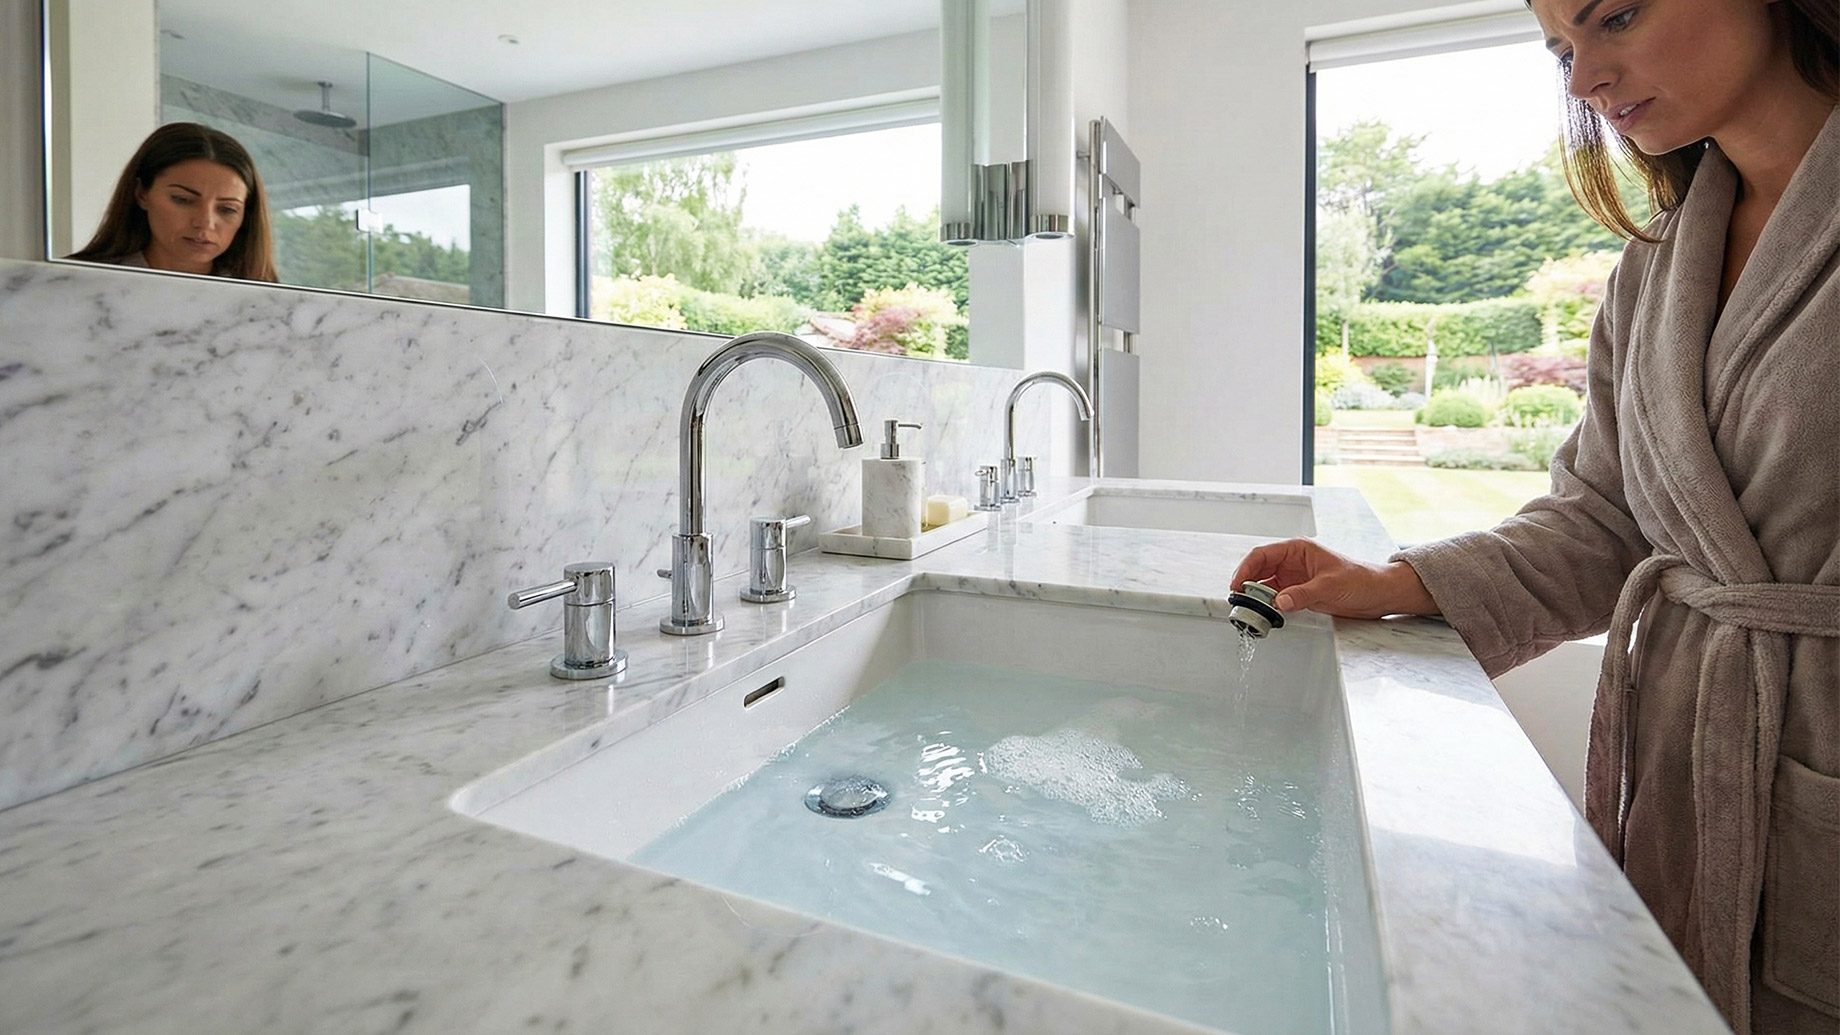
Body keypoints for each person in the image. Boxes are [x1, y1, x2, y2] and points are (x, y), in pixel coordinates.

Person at [1236, 1, 1838, 1031]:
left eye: (1615, 17)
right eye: (1562, 48)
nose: (1583, 80)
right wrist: (1395, 584)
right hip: (1687, 778)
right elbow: (1605, 519)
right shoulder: (1654, 267)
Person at [68, 122, 277, 281]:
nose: (205, 222)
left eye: (227, 209)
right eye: (182, 200)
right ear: (141, 193)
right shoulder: (72, 282)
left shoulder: (272, 303)